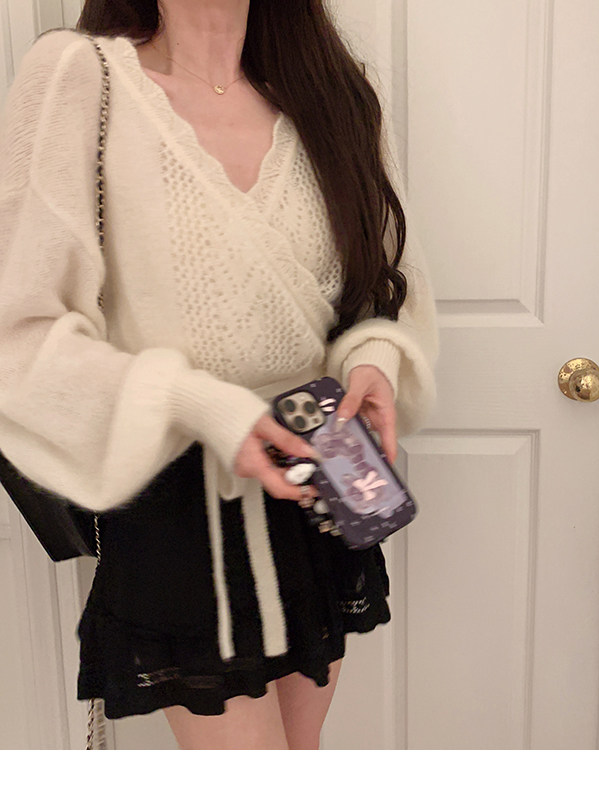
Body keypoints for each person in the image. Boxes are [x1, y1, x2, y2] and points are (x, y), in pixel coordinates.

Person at [0, 0, 438, 749]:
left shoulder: (333, 94)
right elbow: (20, 330)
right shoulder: (81, 78)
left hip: (318, 482)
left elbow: (385, 281)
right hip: (181, 506)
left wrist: (375, 359)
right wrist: (199, 404)